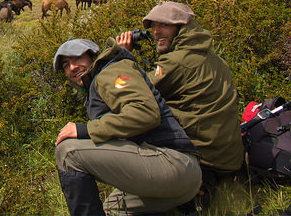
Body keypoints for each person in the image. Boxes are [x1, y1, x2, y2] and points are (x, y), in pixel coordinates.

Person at [53, 37, 201, 216]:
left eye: (77, 59)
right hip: (174, 177)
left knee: (68, 152)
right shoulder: (101, 81)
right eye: (66, 65)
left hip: (172, 163)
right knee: (113, 210)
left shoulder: (110, 72)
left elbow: (145, 113)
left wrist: (86, 130)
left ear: (93, 57)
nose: (72, 68)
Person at [117, 1, 243, 203]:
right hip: (229, 157)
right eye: (153, 27)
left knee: (140, 117)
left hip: (204, 157)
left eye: (164, 25)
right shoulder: (213, 58)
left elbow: (130, 91)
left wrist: (122, 58)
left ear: (181, 28)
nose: (156, 32)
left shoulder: (177, 62)